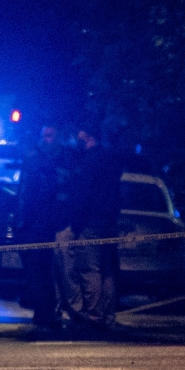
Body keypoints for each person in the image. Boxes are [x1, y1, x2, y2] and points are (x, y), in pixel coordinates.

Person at [17, 125, 73, 334]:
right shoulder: (35, 163)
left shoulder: (49, 164)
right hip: (35, 226)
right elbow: (23, 196)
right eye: (43, 136)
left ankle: (47, 315)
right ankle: (45, 314)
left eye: (50, 136)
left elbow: (37, 198)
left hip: (47, 226)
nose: (45, 140)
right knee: (37, 273)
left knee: (45, 273)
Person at [67, 122, 123, 331]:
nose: (76, 137)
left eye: (79, 133)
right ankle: (108, 317)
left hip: (90, 222)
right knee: (107, 271)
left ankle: (94, 317)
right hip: (109, 223)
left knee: (90, 270)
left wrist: (76, 222)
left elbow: (83, 195)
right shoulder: (111, 159)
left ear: (87, 135)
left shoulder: (89, 161)